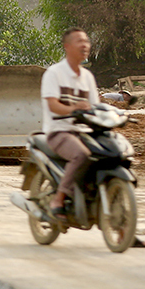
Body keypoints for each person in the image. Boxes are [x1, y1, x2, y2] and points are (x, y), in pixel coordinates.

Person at [40, 27, 99, 222]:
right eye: (79, 41)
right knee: (81, 155)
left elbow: (96, 107)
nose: (85, 45)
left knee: (112, 153)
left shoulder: (88, 77)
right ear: (67, 46)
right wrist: (75, 108)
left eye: (87, 41)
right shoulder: (54, 73)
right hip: (59, 131)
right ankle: (59, 199)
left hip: (84, 132)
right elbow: (52, 105)